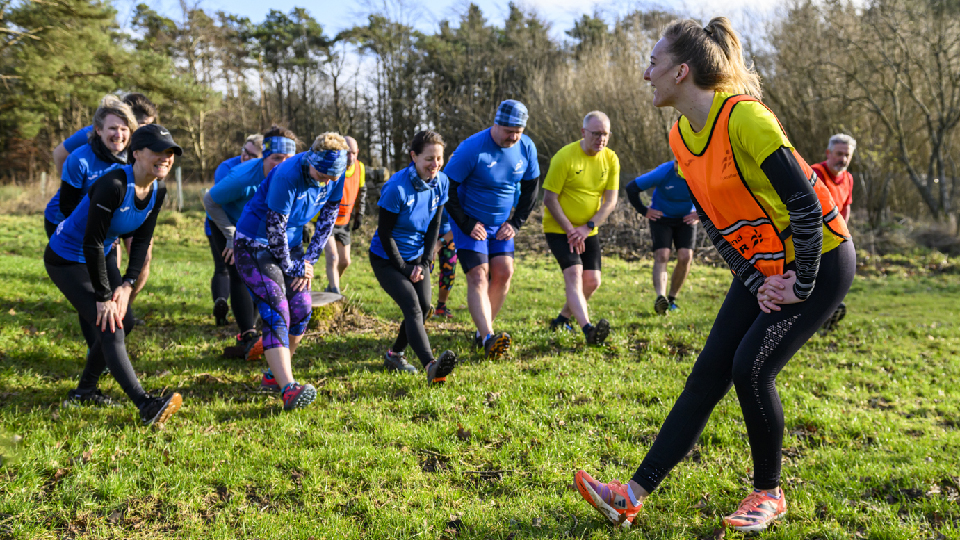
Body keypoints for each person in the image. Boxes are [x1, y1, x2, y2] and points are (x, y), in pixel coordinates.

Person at [574, 17, 854, 532]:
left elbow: (806, 207)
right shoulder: (681, 134)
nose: (645, 73)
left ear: (681, 72)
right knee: (708, 373)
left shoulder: (747, 119)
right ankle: (630, 496)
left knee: (751, 367)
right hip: (763, 266)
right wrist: (755, 281)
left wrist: (801, 283)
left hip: (822, 259)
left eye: (653, 63)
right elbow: (717, 226)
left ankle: (768, 493)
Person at [44, 124, 183, 426]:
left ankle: (84, 391)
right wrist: (105, 296)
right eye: (158, 151)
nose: (166, 157)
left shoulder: (157, 191)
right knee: (110, 325)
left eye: (170, 152)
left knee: (126, 320)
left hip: (101, 252)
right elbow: (90, 241)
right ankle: (146, 405)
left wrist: (128, 284)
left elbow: (142, 241)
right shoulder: (115, 184)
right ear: (136, 153)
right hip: (67, 257)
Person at [233, 132, 349, 410]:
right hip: (255, 244)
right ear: (311, 159)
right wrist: (292, 266)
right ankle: (289, 388)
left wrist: (307, 262)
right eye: (322, 173)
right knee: (277, 309)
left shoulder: (336, 173)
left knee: (301, 309)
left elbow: (327, 221)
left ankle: (274, 375)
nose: (328, 181)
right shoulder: (287, 175)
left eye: (334, 175)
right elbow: (274, 230)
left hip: (293, 246)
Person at [444, 99, 540, 359]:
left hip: (501, 224)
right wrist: (466, 223)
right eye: (509, 131)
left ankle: (481, 332)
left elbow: (531, 188)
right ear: (496, 124)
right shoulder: (472, 148)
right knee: (478, 275)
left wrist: (516, 222)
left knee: (504, 272)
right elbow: (447, 187)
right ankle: (488, 337)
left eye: (518, 132)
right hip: (469, 220)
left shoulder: (526, 147)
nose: (513, 137)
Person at [369, 130, 458, 382]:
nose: (435, 164)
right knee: (413, 308)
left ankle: (394, 354)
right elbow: (385, 235)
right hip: (387, 258)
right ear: (414, 156)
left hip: (418, 257)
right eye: (429, 158)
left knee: (424, 307)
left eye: (439, 158)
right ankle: (431, 366)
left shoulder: (442, 182)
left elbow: (435, 223)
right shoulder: (396, 188)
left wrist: (425, 261)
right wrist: (405, 268)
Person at [204, 126, 297, 360]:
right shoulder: (242, 176)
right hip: (227, 222)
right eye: (276, 158)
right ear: (265, 156)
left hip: (259, 229)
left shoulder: (292, 176)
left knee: (261, 276)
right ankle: (247, 335)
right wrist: (230, 234)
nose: (282, 164)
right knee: (238, 272)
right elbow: (210, 201)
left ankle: (259, 331)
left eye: (288, 159)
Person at [542, 111, 618, 345]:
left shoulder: (611, 159)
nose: (601, 139)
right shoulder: (564, 157)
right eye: (596, 134)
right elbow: (549, 199)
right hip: (559, 229)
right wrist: (570, 230)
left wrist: (587, 227)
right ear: (583, 132)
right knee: (574, 274)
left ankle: (562, 319)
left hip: (588, 230)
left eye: (605, 134)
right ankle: (588, 330)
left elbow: (610, 201)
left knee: (592, 281)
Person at [43, 96, 138, 238]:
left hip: (102, 224)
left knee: (110, 257)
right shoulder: (79, 159)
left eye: (124, 129)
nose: (118, 135)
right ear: (98, 130)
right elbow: (67, 206)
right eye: (113, 128)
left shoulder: (135, 157)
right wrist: (94, 232)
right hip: (64, 221)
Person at [626, 160, 699, 315]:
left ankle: (671, 299)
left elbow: (715, 195)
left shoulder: (700, 172)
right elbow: (631, 188)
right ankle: (661, 297)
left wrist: (700, 214)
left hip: (687, 218)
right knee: (662, 254)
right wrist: (644, 210)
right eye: (676, 161)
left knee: (685, 257)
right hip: (661, 217)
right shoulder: (663, 172)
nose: (677, 165)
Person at [207, 133, 265, 325]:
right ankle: (222, 306)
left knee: (253, 273)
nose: (246, 157)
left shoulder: (266, 172)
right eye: (245, 151)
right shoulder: (227, 169)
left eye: (252, 155)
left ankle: (251, 321)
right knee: (225, 268)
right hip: (221, 224)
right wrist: (232, 237)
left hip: (247, 228)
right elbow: (218, 204)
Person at [53, 93, 157, 178]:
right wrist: (70, 184)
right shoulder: (90, 133)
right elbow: (59, 154)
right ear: (128, 117)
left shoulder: (142, 140)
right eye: (144, 123)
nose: (147, 129)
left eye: (150, 124)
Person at [812, 133, 856, 332]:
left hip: (834, 238)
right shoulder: (814, 174)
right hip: (812, 237)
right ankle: (818, 316)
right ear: (828, 153)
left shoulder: (848, 178)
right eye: (839, 154)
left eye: (847, 155)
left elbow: (845, 206)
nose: (843, 159)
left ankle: (827, 313)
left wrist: (843, 235)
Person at [321, 135, 366, 294]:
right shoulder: (331, 169)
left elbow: (362, 193)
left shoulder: (360, 168)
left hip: (344, 222)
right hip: (327, 220)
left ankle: (332, 286)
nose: (350, 157)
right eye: (347, 153)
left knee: (345, 261)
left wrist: (359, 215)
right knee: (333, 257)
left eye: (353, 153)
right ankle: (335, 292)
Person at [430, 209, 457, 318]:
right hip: (427, 233)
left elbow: (459, 224)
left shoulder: (456, 194)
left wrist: (440, 243)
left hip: (449, 235)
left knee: (449, 271)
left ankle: (441, 307)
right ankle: (422, 305)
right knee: (425, 269)